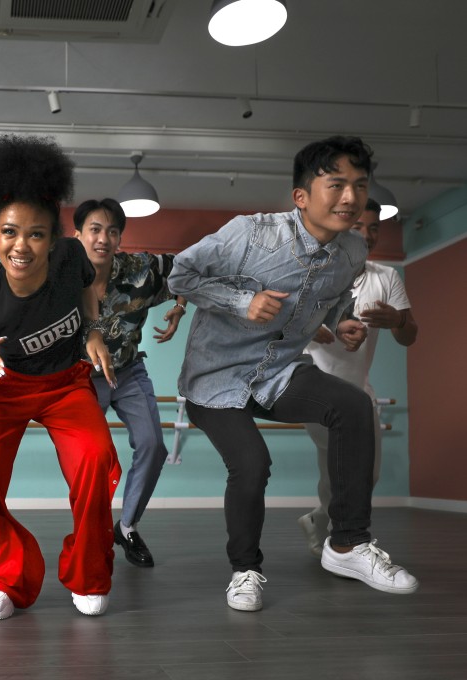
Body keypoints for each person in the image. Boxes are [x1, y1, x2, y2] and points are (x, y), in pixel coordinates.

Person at [168, 135, 419, 612]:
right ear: (301, 196)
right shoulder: (251, 234)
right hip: (215, 379)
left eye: (360, 186)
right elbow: (179, 274)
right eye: (337, 184)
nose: (350, 197)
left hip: (279, 373)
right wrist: (243, 301)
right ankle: (245, 570)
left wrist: (339, 321)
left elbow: (335, 297)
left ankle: (347, 544)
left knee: (352, 403)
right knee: (253, 463)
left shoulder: (350, 253)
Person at [0, 135, 122, 620]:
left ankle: (88, 574)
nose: (21, 246)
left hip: (66, 385)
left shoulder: (69, 258)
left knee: (97, 459)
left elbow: (88, 293)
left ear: (51, 238)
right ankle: (8, 572)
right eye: (9, 232)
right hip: (6, 389)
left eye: (36, 234)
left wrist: (93, 332)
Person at [298, 198, 419, 556]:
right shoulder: (311, 272)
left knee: (367, 475)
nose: (367, 235)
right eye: (357, 227)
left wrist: (398, 320)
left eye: (374, 228)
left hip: (358, 388)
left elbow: (409, 335)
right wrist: (314, 326)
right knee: (344, 469)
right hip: (313, 387)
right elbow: (280, 327)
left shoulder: (386, 277)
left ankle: (320, 520)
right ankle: (344, 544)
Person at [73, 198, 186, 568]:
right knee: (93, 459)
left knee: (153, 445)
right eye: (94, 229)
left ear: (119, 238)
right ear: (78, 235)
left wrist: (180, 305)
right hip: (81, 378)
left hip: (128, 370)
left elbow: (192, 268)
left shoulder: (141, 269)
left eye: (112, 231)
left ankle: (128, 526)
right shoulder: (61, 274)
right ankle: (90, 534)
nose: (103, 238)